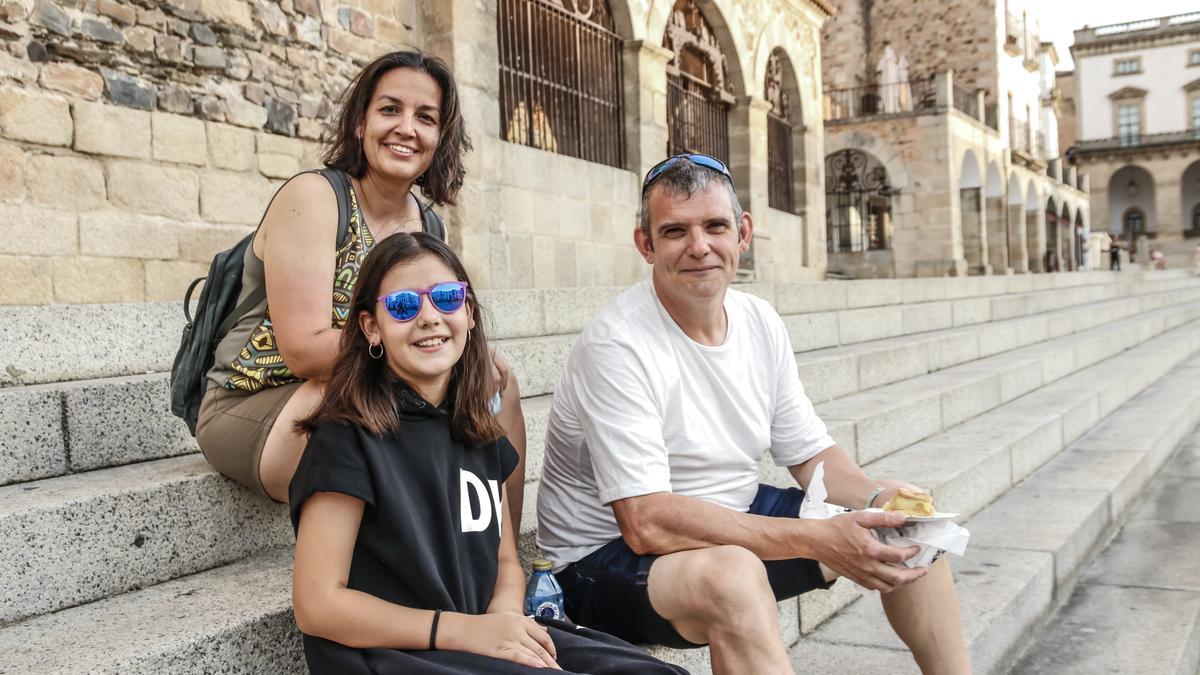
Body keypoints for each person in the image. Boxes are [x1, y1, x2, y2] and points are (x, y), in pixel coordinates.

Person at [537, 155, 970, 675]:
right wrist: (818, 539)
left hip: (727, 516)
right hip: (599, 565)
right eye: (675, 231)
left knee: (910, 530)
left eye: (715, 226)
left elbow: (811, 454)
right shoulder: (616, 345)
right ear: (646, 245)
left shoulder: (758, 319)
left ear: (742, 233)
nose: (699, 247)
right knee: (734, 575)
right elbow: (647, 523)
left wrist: (878, 500)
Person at [289, 232, 687, 674]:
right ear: (370, 327)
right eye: (403, 305)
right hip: (396, 653)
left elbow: (504, 561)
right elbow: (318, 604)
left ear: (469, 313)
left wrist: (502, 617)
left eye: (445, 298)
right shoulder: (347, 437)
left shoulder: (478, 430)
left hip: (478, 636)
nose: (428, 317)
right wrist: (463, 632)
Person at [196, 51, 528, 524]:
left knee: (496, 384)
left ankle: (501, 556)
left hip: (370, 386)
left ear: (439, 137)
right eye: (390, 110)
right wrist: (420, 352)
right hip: (263, 404)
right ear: (359, 123)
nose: (406, 128)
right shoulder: (315, 197)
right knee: (395, 394)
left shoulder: (428, 227)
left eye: (425, 117)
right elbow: (305, 352)